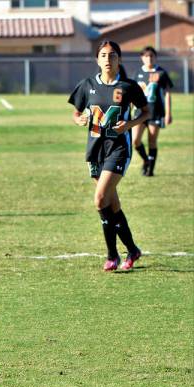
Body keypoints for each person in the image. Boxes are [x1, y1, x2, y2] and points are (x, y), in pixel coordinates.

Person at [68, 40, 150, 272]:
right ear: (97, 59)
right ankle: (132, 250)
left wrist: (130, 124)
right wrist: (79, 119)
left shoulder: (128, 86)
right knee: (111, 204)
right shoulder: (87, 85)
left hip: (118, 149)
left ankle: (112, 254)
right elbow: (76, 112)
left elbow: (146, 112)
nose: (107, 59)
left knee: (100, 198)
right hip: (95, 149)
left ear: (119, 59)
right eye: (103, 55)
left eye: (112, 55)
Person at [132, 46, 173, 177]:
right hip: (139, 112)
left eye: (151, 56)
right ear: (142, 58)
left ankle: (150, 170)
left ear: (155, 57)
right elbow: (133, 94)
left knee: (152, 141)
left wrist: (168, 113)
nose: (149, 58)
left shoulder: (161, 73)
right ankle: (146, 160)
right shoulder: (137, 73)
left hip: (156, 112)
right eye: (146, 56)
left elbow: (167, 93)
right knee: (135, 140)